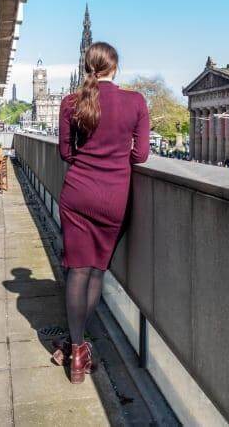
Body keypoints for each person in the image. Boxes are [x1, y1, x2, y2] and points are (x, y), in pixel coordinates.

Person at [56, 42, 150, 384]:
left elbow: (66, 152)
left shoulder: (71, 102)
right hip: (113, 198)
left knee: (76, 271)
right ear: (115, 67)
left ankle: (76, 349)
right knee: (96, 272)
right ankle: (79, 346)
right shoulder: (135, 102)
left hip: (77, 194)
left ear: (87, 67)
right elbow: (141, 156)